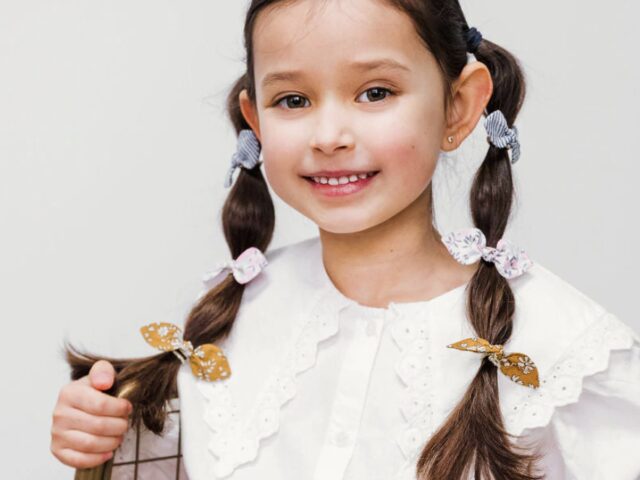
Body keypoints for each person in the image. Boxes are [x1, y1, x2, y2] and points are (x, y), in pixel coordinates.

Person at [50, 0, 640, 479]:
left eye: (375, 92)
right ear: (256, 121)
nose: (329, 135)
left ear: (458, 106)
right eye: (293, 100)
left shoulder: (567, 352)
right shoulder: (231, 319)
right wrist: (100, 429)